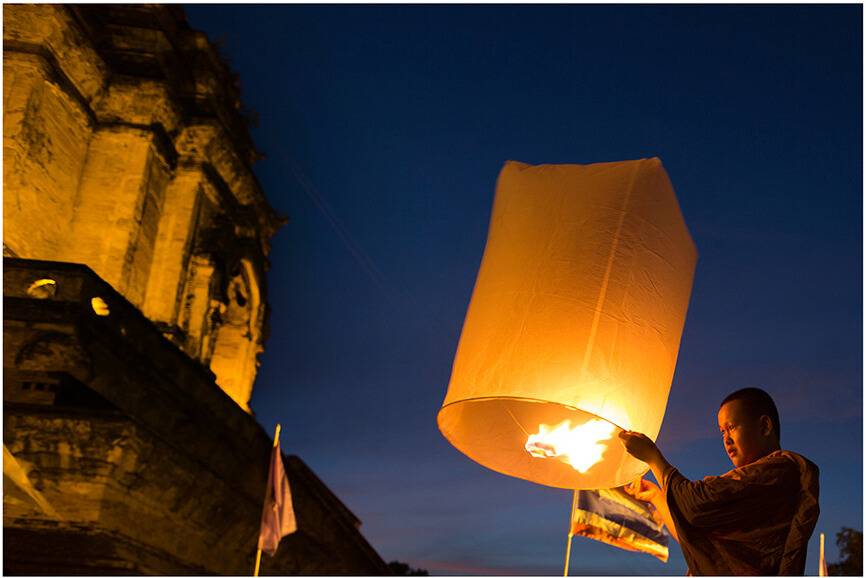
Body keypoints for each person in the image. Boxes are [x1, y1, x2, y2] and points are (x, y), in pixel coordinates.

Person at [618, 387, 820, 575]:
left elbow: (696, 506)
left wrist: (653, 458)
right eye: (723, 431)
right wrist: (656, 496)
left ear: (764, 426)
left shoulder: (779, 471)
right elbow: (696, 534)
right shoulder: (757, 488)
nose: (726, 439)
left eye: (732, 427)